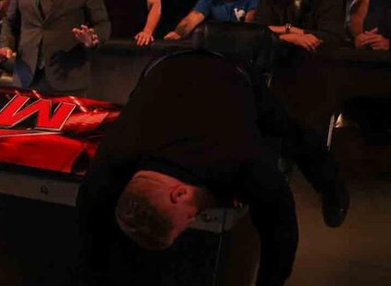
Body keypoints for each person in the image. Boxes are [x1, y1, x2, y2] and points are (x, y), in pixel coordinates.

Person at [77, 51, 349, 286]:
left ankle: (334, 190)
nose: (193, 221)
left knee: (288, 132)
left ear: (179, 194)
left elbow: (281, 229)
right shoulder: (114, 155)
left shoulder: (243, 161)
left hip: (231, 69)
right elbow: (89, 222)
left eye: (186, 222)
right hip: (164, 67)